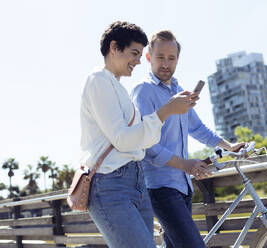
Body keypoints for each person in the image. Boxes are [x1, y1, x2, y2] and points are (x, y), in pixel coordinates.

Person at [80, 22, 198, 248]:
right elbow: (123, 139)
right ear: (114, 47)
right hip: (110, 183)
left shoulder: (118, 89)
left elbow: (141, 140)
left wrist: (162, 116)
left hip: (135, 182)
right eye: (134, 53)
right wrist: (166, 111)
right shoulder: (98, 81)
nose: (137, 60)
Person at [131, 30, 246, 248]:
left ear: (178, 60)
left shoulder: (179, 91)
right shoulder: (143, 91)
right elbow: (146, 144)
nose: (166, 63)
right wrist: (186, 164)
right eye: (160, 57)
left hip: (183, 186)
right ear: (148, 57)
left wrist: (229, 146)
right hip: (160, 187)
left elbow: (197, 128)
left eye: (171, 58)